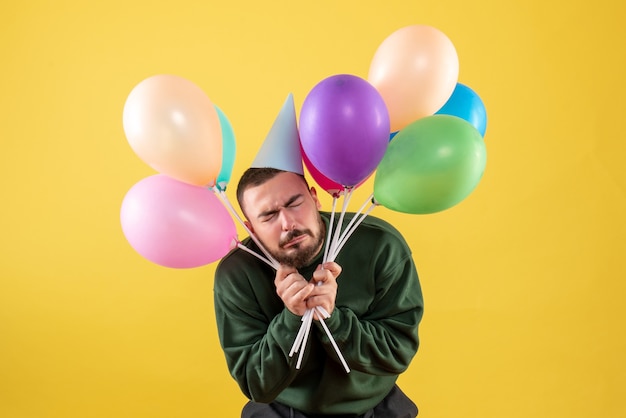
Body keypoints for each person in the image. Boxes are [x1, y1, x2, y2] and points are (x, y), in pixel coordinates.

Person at [213, 167, 424, 417]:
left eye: (295, 203)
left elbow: (397, 352)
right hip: (282, 408)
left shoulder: (380, 245)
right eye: (268, 216)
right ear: (251, 229)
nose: (288, 224)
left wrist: (334, 320)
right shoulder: (237, 273)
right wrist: (291, 319)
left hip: (373, 405)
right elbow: (255, 383)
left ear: (314, 197)